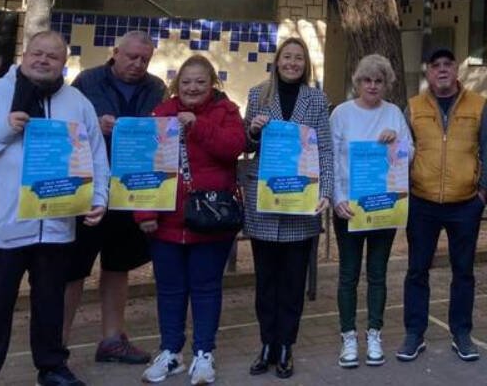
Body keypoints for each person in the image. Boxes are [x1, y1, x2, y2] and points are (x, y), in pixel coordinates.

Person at [0, 31, 109, 386]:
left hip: (56, 224)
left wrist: (99, 197)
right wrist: (1, 130)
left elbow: (95, 154)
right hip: (2, 229)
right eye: (38, 53)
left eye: (53, 56)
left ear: (64, 64)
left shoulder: (77, 101)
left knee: (50, 305)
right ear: (25, 54)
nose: (44, 60)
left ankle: (52, 368)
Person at [135, 55, 245, 385]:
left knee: (206, 288)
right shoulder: (161, 113)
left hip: (211, 220)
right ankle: (170, 352)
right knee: (169, 290)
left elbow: (233, 147)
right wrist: (144, 212)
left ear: (212, 83)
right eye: (186, 82)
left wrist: (199, 126)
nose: (193, 87)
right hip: (166, 222)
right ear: (176, 85)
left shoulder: (226, 112)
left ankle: (203, 353)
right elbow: (145, 163)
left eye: (200, 81)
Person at [64, 30, 166, 363]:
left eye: (145, 60)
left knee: (118, 266)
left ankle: (111, 339)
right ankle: (56, 345)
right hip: (90, 188)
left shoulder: (156, 88)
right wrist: (95, 124)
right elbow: (65, 127)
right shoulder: (86, 81)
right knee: (73, 270)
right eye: (132, 57)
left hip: (131, 191)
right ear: (116, 52)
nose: (138, 64)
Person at [397, 46, 487, 364]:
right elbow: (400, 151)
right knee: (416, 271)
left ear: (457, 70)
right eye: (435, 65)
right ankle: (414, 334)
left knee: (463, 272)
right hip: (422, 202)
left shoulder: (479, 105)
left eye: (448, 64)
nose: (442, 70)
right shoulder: (412, 107)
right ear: (428, 72)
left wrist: (482, 193)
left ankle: (462, 333)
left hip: (465, 203)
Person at [241, 36, 333, 379]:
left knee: (293, 281)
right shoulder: (258, 94)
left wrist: (325, 190)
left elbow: (324, 149)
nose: (292, 63)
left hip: (302, 201)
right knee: (265, 280)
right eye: (287, 57)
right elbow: (247, 143)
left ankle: (286, 346)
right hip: (266, 201)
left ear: (305, 64)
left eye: (299, 58)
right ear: (277, 61)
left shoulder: (317, 99)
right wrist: (252, 129)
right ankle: (266, 343)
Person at [329, 54, 414, 368]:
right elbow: (333, 159)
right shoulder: (341, 114)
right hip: (349, 207)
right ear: (358, 82)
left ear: (386, 83)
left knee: (377, 274)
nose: (373, 86)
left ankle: (374, 333)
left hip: (383, 207)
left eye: (379, 80)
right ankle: (348, 336)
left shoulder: (393, 113)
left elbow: (410, 154)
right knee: (348, 275)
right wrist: (338, 199)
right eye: (367, 80)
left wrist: (397, 145)